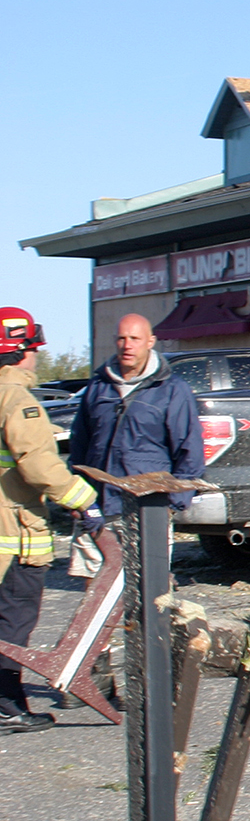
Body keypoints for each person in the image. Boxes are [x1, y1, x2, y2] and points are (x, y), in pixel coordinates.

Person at [0, 309, 101, 733]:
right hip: (14, 532)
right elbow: (39, 465)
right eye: (34, 350)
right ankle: (6, 706)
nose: (37, 358)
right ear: (22, 350)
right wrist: (84, 500)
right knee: (13, 619)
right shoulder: (18, 401)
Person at [69, 313, 205, 525]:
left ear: (150, 341)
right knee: (92, 560)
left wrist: (173, 503)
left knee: (146, 560)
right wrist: (80, 501)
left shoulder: (172, 390)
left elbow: (190, 452)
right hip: (97, 508)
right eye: (121, 338)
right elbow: (79, 447)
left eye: (135, 339)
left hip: (148, 510)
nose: (127, 346)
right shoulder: (98, 387)